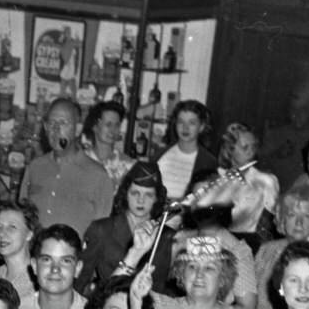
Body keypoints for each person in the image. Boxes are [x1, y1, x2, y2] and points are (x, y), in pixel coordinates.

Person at [19, 99, 113, 237]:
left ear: (78, 129)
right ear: (45, 127)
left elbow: (101, 236)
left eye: (63, 123)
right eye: (51, 123)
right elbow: (22, 218)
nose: (56, 129)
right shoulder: (34, 168)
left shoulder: (98, 176)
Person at [75, 161, 171, 296]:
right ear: (125, 193)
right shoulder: (102, 230)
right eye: (135, 193)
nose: (140, 200)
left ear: (157, 198)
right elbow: (80, 281)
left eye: (148, 195)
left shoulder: (166, 236)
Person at [154, 99, 218, 201]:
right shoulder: (160, 155)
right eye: (181, 122)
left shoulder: (208, 162)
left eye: (192, 123)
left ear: (201, 127)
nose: (185, 128)